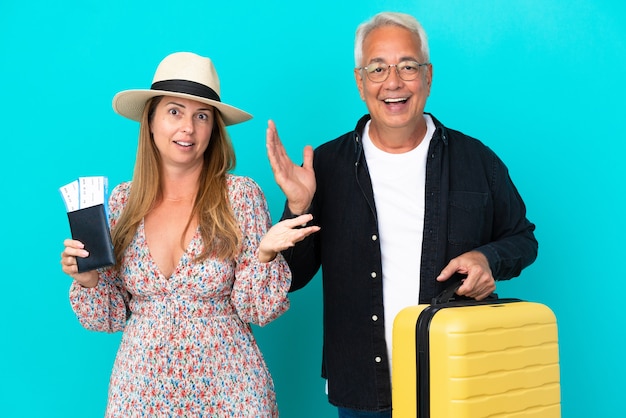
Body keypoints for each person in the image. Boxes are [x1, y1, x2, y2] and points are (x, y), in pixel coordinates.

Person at [266, 12, 538, 417]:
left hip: (457, 377)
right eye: (377, 68)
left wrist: (487, 260)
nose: (393, 82)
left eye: (408, 67)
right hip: (362, 384)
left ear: (428, 77)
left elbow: (523, 239)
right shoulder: (325, 166)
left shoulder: (476, 160)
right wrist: (299, 208)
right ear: (360, 82)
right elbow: (293, 277)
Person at [60, 51, 318, 417]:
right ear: (150, 121)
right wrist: (88, 279)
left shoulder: (240, 196)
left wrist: (264, 256)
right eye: (174, 111)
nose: (188, 128)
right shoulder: (121, 202)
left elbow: (256, 309)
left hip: (231, 393)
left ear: (213, 129)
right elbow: (110, 315)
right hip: (140, 393)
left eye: (202, 116)